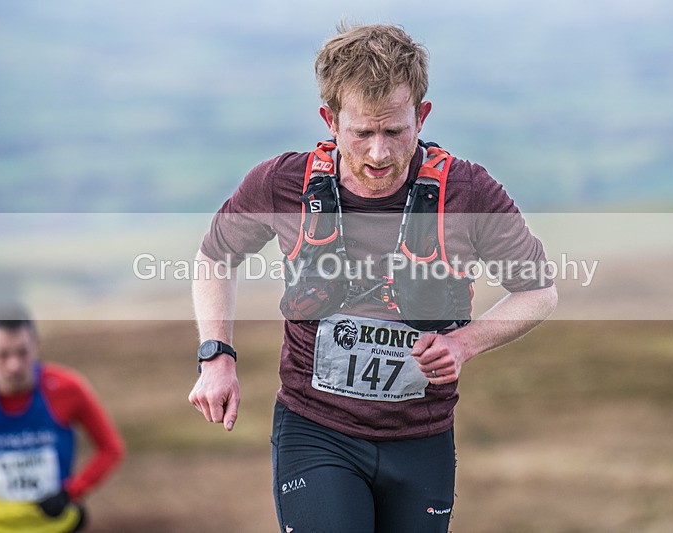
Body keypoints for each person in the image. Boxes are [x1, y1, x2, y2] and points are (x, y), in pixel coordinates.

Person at [189, 23, 558, 532]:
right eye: (362, 133)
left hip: (421, 439)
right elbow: (214, 257)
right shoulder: (283, 184)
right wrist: (217, 355)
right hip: (315, 431)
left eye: (394, 131)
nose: (378, 154)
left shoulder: (469, 193)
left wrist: (464, 344)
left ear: (421, 115)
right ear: (330, 120)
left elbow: (538, 290)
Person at [0, 305, 125, 533]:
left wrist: (72, 492)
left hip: (56, 526)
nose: (14, 365)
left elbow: (111, 448)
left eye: (22, 352)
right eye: (4, 354)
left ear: (36, 344)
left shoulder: (67, 388)